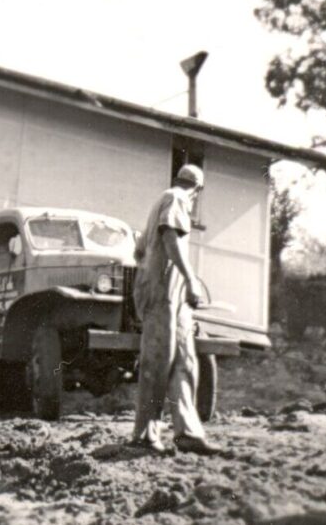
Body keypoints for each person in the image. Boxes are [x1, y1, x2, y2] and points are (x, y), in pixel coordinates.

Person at [129, 163, 220, 455]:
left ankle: (188, 433)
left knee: (185, 362)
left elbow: (139, 250)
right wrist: (190, 278)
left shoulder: (162, 200)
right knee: (158, 361)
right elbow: (169, 236)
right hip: (162, 293)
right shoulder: (177, 198)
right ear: (198, 190)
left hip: (173, 296)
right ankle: (145, 435)